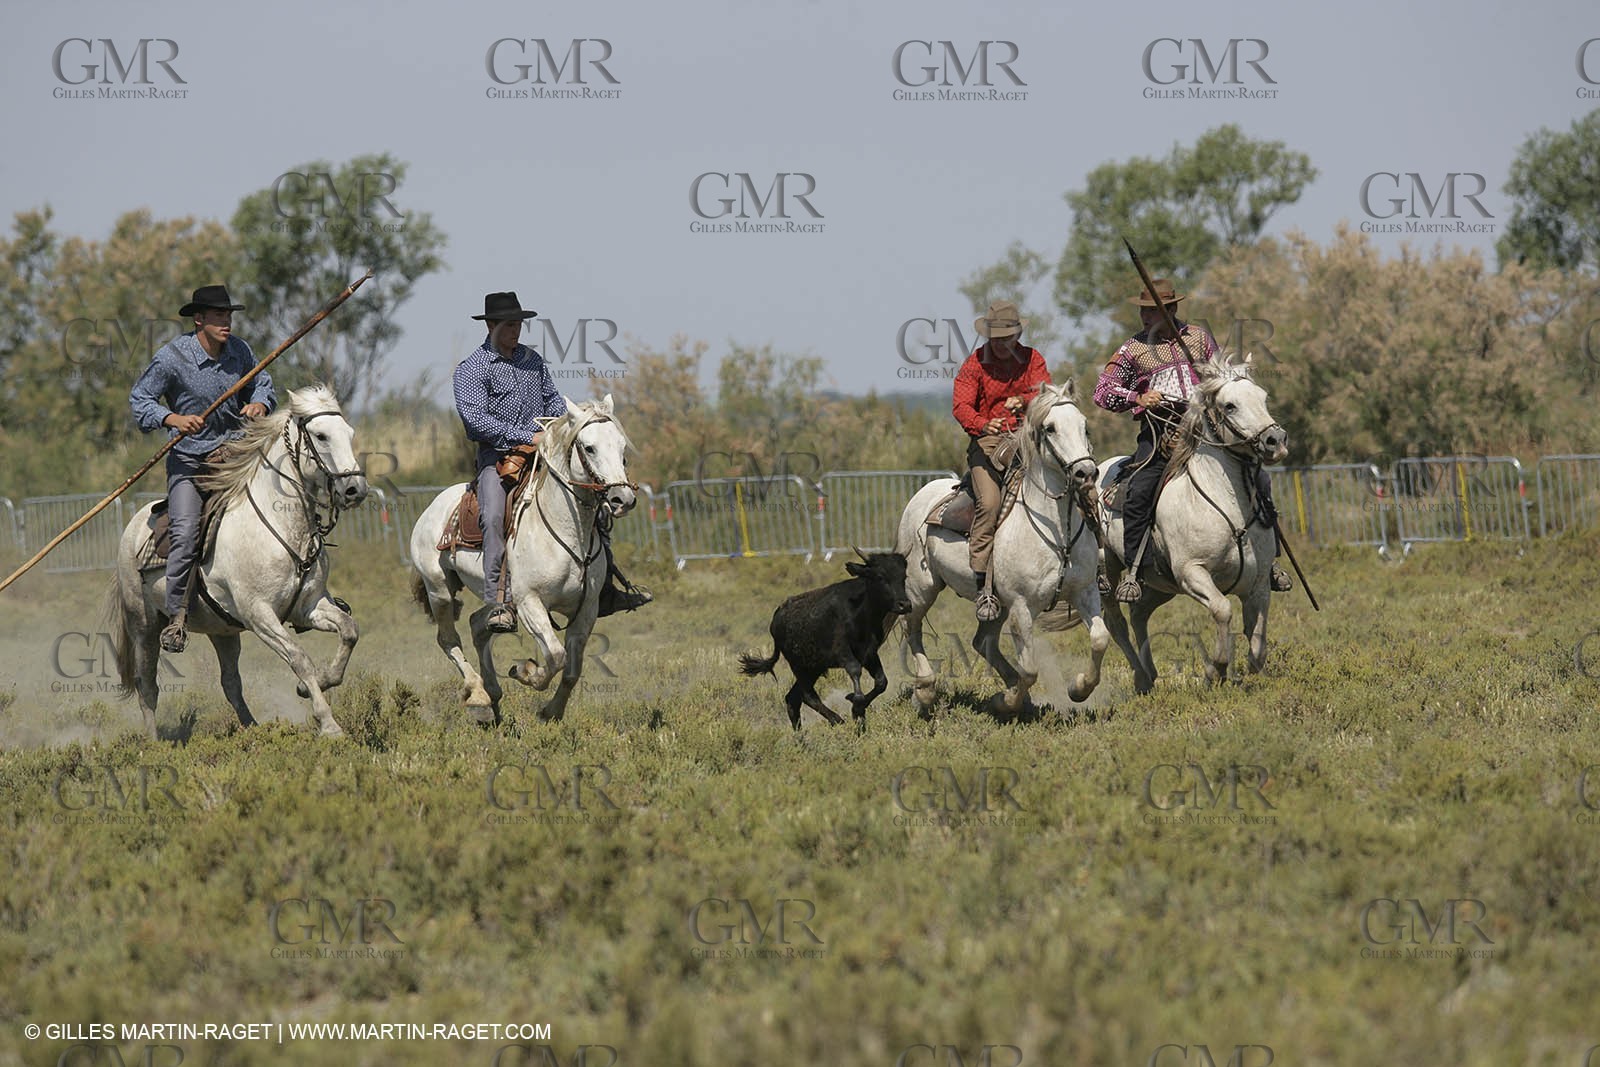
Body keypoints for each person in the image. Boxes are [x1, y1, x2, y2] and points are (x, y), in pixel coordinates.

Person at [452, 291, 651, 634]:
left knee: (594, 504)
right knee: (494, 514)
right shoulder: (472, 369)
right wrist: (524, 436)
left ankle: (606, 589)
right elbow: (475, 420)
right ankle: (498, 601)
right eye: (509, 325)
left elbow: (554, 404)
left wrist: (567, 426)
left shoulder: (533, 361)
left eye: (519, 324)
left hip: (545, 454)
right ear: (490, 326)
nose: (516, 330)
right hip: (497, 459)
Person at [1092, 277, 1291, 602]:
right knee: (1140, 489)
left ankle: (1268, 562)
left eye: (1152, 311)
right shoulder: (1133, 349)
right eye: (1143, 311)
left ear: (1170, 310)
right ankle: (1135, 571)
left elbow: (1219, 377)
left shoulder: (1198, 338)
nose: (1145, 317)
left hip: (1206, 430)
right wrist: (1137, 398)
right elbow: (1102, 391)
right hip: (1161, 433)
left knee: (1260, 479)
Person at [130, 284, 276, 653]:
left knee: (280, 508)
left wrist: (259, 403)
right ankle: (177, 616)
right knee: (184, 532)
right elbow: (140, 400)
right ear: (199, 319)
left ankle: (294, 596)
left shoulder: (241, 350)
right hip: (190, 464)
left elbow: (262, 383)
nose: (227, 322)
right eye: (219, 316)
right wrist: (173, 418)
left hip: (237, 457)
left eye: (229, 315)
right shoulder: (172, 358)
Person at [951, 299, 1052, 622]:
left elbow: (1045, 392)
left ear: (1017, 335)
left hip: (1028, 444)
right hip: (987, 446)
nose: (1000, 343)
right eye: (995, 337)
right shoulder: (974, 364)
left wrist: (1023, 401)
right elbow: (961, 407)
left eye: (1006, 337)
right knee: (990, 503)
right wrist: (984, 424)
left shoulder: (1033, 359)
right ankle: (983, 583)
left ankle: (1090, 563)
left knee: (1067, 485)